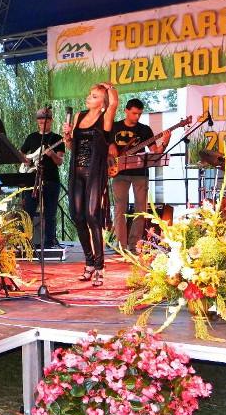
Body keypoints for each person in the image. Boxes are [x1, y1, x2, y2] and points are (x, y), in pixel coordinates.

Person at [63, 82, 118, 286]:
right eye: (89, 94)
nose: (89, 97)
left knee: (92, 216)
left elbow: (114, 103)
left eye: (94, 96)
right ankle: (89, 262)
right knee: (77, 216)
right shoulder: (79, 116)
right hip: (76, 172)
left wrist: (109, 88)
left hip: (94, 172)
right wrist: (67, 136)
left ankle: (100, 266)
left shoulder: (105, 118)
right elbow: (71, 146)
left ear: (103, 103)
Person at [109, 99, 170, 253]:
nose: (137, 117)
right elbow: (105, 147)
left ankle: (134, 245)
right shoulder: (114, 127)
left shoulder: (145, 130)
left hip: (140, 173)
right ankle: (121, 246)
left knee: (140, 210)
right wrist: (111, 151)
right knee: (119, 209)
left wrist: (165, 142)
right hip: (119, 173)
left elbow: (155, 152)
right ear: (126, 110)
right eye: (134, 113)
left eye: (140, 114)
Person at [20, 107, 65, 248]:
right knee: (28, 212)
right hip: (32, 180)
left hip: (51, 180)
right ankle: (26, 243)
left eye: (45, 121)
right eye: (39, 121)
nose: (42, 124)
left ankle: (49, 243)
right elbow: (21, 154)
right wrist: (27, 160)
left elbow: (60, 161)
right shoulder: (31, 137)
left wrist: (52, 154)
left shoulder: (57, 139)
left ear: (51, 121)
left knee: (50, 213)